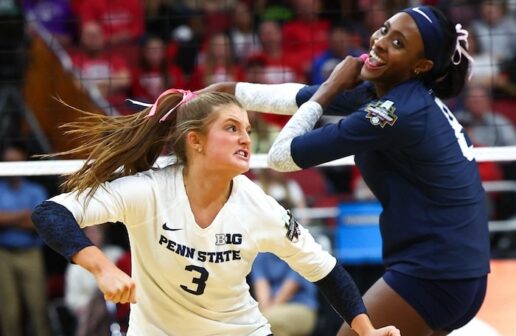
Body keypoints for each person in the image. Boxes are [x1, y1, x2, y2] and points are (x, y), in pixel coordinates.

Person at [199, 5, 490, 336]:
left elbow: (282, 156)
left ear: (420, 66)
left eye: (398, 44)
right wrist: (214, 94)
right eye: (384, 30)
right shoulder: (390, 92)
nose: (380, 42)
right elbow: (289, 97)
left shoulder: (393, 113)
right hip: (462, 274)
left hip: (434, 273)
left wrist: (331, 86)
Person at [31, 90, 399, 336]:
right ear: (196, 141)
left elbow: (327, 270)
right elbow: (51, 213)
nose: (245, 138)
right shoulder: (149, 191)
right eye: (231, 128)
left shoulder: (259, 207)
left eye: (247, 130)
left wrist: (367, 331)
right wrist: (102, 266)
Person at [0, 145, 51, 336]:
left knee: (38, 306)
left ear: (24, 163)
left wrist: (8, 219)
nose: (13, 166)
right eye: (9, 162)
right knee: (8, 310)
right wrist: (23, 216)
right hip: (3, 254)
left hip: (31, 253)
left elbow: (40, 222)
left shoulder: (35, 190)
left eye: (16, 162)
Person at [251, 252, 319, 336]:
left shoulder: (299, 251)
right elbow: (261, 287)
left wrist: (264, 316)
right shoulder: (261, 256)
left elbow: (289, 288)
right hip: (270, 310)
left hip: (302, 307)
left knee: (271, 321)